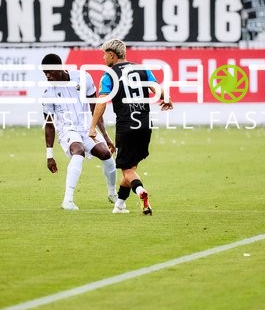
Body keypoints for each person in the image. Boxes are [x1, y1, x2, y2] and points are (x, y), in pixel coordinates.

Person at [88, 39, 174, 215]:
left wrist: (92, 127)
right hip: (144, 125)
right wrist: (167, 99)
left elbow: (101, 103)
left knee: (127, 170)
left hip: (126, 126)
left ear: (112, 55)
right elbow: (156, 89)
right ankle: (119, 205)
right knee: (130, 169)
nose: (103, 58)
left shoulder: (109, 75)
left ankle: (141, 191)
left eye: (104, 54)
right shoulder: (142, 69)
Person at [41, 53, 119, 210]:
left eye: (50, 72)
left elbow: (95, 108)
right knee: (78, 150)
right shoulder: (48, 94)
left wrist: (105, 136)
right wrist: (49, 155)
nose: (48, 76)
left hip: (86, 127)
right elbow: (49, 124)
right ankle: (67, 200)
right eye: (45, 73)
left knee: (106, 154)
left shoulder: (83, 78)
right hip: (67, 130)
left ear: (60, 68)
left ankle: (112, 193)